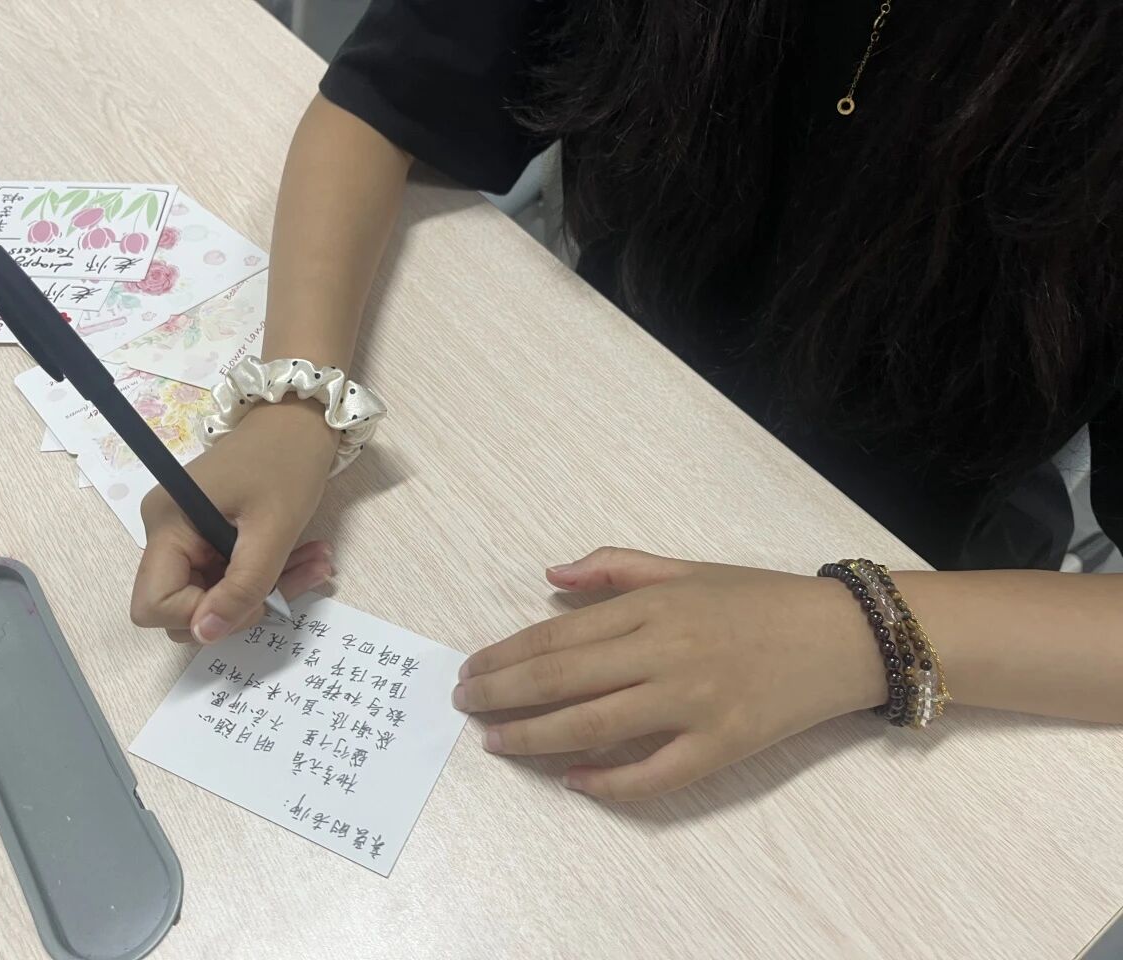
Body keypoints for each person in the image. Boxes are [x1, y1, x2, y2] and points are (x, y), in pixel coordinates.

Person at [130, 0, 1123, 800]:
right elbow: (388, 94)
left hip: (926, 564)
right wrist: (295, 398)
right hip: (603, 413)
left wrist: (860, 629)